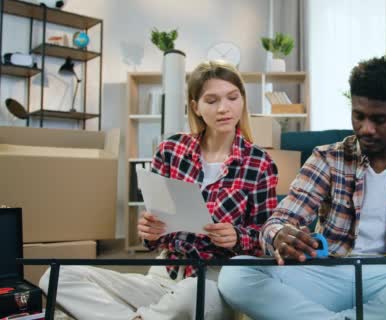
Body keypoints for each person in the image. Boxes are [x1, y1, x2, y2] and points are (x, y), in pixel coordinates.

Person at [218, 57, 386, 320]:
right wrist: (279, 237)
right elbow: (280, 221)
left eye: (379, 120)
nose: (366, 129)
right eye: (359, 116)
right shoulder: (327, 158)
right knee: (236, 274)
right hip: (330, 273)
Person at [39, 60, 278, 320]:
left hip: (214, 282)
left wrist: (237, 236)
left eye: (232, 97)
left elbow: (266, 240)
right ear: (196, 107)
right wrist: (150, 231)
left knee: (192, 293)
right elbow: (154, 235)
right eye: (212, 101)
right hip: (164, 274)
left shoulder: (260, 163)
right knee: (56, 276)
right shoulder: (171, 150)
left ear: (242, 100)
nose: (224, 108)